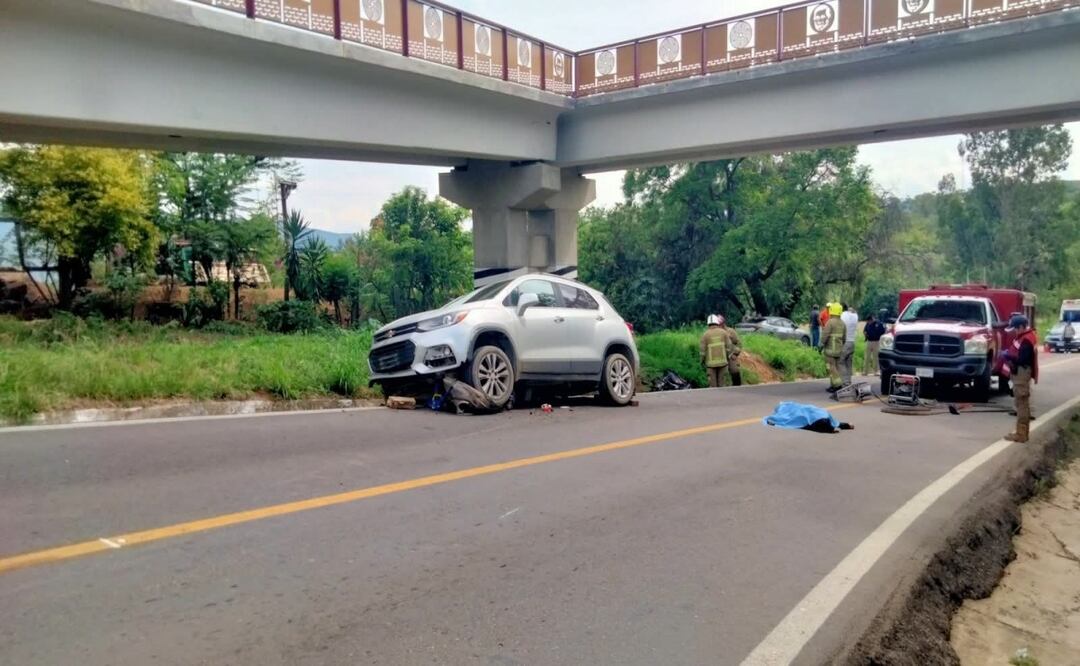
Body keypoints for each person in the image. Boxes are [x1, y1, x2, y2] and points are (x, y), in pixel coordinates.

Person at [1002, 314, 1039, 443]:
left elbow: (1022, 359)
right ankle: (1021, 432)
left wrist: (1008, 356)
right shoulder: (1025, 337)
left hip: (1022, 373)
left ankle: (1021, 434)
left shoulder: (1026, 340)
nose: (1015, 331)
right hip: (1020, 372)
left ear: (1022, 327)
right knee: (1020, 403)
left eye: (1016, 329)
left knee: (1021, 403)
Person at [700, 315, 731, 388]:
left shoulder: (705, 335)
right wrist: (727, 358)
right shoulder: (724, 333)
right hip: (723, 363)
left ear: (708, 323)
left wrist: (701, 362)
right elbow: (729, 348)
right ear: (717, 323)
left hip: (710, 365)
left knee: (713, 386)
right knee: (722, 384)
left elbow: (702, 352)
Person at [821, 303, 846, 392]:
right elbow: (844, 338)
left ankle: (838, 385)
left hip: (830, 350)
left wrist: (821, 344)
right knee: (836, 368)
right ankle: (833, 385)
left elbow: (825, 335)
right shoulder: (843, 323)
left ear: (832, 311)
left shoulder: (830, 322)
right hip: (839, 350)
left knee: (831, 368)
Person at [721, 315, 743, 387]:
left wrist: (735, 353)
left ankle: (737, 386)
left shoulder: (730, 331)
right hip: (719, 356)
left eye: (720, 323)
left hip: (730, 355)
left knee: (735, 370)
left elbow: (738, 343)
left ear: (723, 323)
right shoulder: (714, 332)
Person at [863, 312, 887, 376]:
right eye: (868, 322)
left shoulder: (879, 324)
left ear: (872, 319)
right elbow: (864, 330)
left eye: (869, 321)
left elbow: (883, 332)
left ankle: (876, 371)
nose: (868, 323)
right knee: (867, 357)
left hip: (876, 342)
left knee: (875, 357)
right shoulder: (867, 324)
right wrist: (865, 333)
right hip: (869, 341)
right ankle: (865, 371)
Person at [840, 303, 858, 384]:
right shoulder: (855, 316)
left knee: (841, 362)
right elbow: (854, 312)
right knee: (849, 362)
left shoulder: (842, 316)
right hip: (852, 342)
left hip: (845, 342)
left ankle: (844, 381)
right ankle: (849, 380)